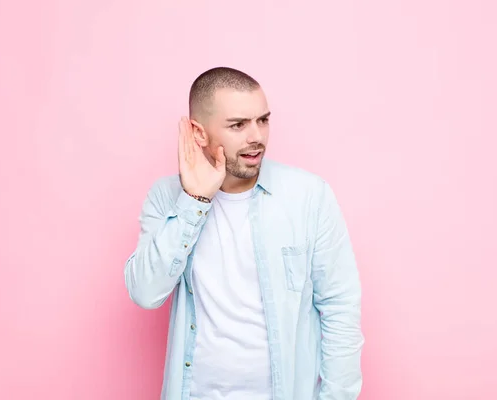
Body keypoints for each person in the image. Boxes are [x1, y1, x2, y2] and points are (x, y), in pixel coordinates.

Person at [124, 66, 364, 400]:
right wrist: (195, 201)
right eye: (238, 125)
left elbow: (340, 309)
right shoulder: (167, 198)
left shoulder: (309, 196)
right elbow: (146, 293)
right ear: (199, 132)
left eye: (263, 120)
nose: (257, 137)